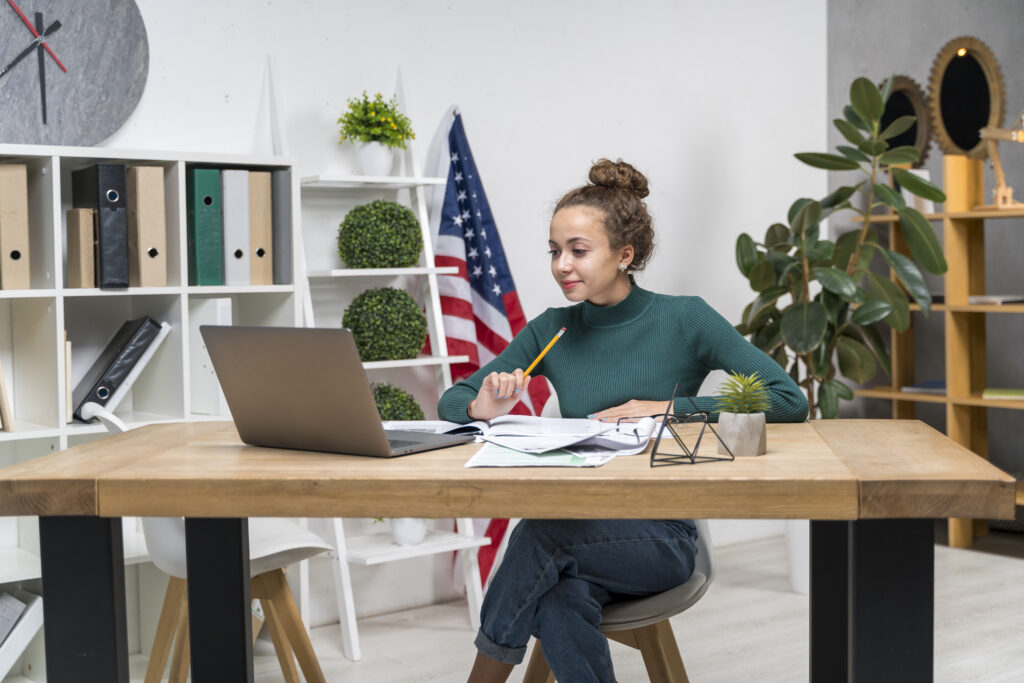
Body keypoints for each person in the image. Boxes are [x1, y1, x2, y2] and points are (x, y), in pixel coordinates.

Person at [437, 159, 808, 682]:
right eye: (555, 250)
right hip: (581, 525)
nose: (561, 264)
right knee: (561, 603)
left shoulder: (685, 319)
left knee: (540, 536)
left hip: (665, 535)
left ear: (624, 254)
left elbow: (788, 399)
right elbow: (454, 403)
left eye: (578, 251)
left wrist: (670, 409)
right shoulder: (552, 330)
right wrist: (486, 405)